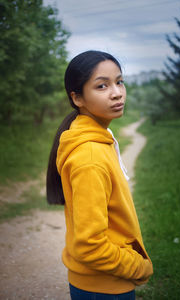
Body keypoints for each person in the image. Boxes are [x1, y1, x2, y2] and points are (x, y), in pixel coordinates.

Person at [46, 50, 153, 300]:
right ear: (78, 98)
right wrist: (139, 267)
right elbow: (89, 245)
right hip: (104, 287)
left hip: (101, 282)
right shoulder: (90, 157)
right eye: (102, 86)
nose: (117, 92)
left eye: (119, 81)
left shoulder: (99, 141)